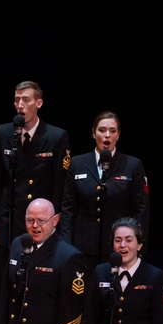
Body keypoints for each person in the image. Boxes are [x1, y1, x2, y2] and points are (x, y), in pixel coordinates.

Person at [0, 81, 70, 324]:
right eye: (16, 99)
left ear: (39, 103)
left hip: (41, 223)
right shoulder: (5, 132)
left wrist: (57, 225)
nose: (20, 105)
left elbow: (60, 188)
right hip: (12, 221)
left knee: (37, 286)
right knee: (7, 284)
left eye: (25, 99)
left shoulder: (56, 137)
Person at [59, 111, 149, 264]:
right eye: (102, 130)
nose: (107, 135)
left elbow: (141, 210)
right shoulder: (77, 163)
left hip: (118, 248)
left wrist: (139, 248)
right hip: (82, 247)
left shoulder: (132, 165)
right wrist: (66, 246)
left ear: (118, 135)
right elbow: (68, 209)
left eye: (112, 131)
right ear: (94, 133)